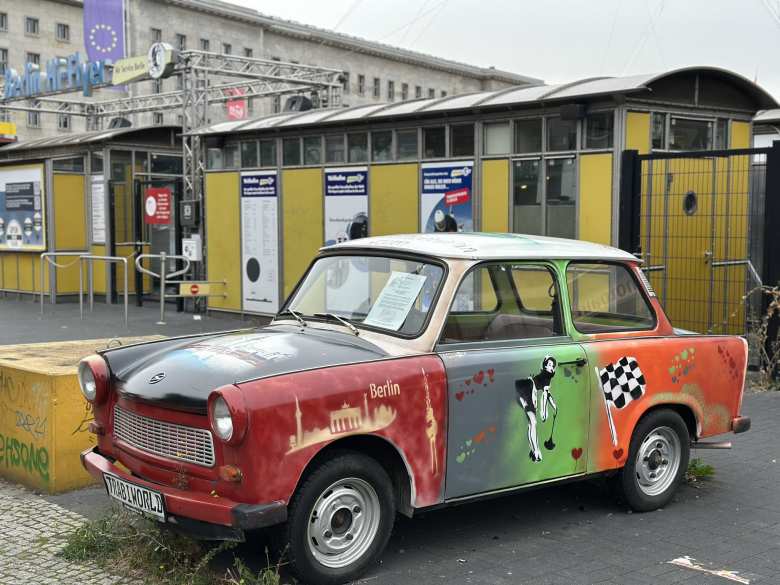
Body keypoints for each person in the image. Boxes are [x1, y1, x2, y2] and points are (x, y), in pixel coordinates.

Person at [515, 356, 557, 462]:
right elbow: (545, 396)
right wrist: (545, 412)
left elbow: (547, 395)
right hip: (528, 390)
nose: (551, 368)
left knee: (532, 422)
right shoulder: (546, 378)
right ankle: (536, 452)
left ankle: (534, 451)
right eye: (549, 365)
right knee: (533, 422)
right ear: (545, 365)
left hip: (525, 390)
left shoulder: (546, 378)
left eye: (553, 366)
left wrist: (554, 406)